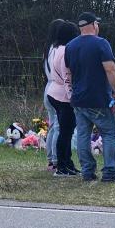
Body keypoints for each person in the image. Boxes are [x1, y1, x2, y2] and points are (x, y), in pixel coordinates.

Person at [64, 12, 115, 182]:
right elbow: (110, 69)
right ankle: (109, 171)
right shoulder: (101, 44)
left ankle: (87, 171)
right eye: (97, 24)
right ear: (93, 25)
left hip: (78, 100)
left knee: (83, 135)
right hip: (98, 99)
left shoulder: (70, 46)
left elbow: (69, 74)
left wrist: (73, 92)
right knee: (108, 133)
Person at [45, 20, 81, 177]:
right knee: (65, 132)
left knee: (65, 130)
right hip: (63, 96)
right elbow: (67, 76)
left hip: (54, 92)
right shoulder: (66, 51)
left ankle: (67, 163)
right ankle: (61, 166)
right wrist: (72, 96)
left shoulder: (56, 48)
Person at [42, 19, 64, 172]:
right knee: (57, 126)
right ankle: (56, 160)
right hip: (57, 87)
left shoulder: (48, 48)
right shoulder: (59, 49)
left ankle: (51, 158)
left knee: (52, 125)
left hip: (48, 87)